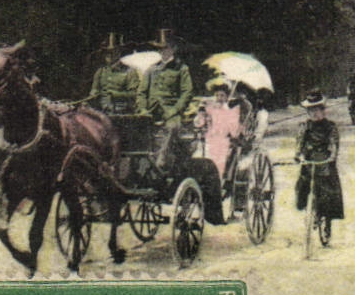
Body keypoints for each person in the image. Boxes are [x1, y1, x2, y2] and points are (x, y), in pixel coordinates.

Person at [138, 29, 194, 176]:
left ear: (173, 48)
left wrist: (174, 110)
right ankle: (137, 167)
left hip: (171, 112)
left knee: (172, 127)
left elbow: (187, 93)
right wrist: (142, 109)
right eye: (160, 49)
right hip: (151, 112)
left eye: (166, 48)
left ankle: (160, 162)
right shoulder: (152, 69)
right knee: (135, 129)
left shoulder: (181, 69)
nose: (162, 51)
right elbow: (142, 92)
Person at [294, 91, 343, 232]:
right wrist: (299, 155)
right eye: (310, 110)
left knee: (328, 191)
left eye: (317, 110)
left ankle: (327, 218)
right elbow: (300, 142)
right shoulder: (305, 127)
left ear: (323, 110)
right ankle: (307, 208)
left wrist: (332, 155)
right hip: (309, 160)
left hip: (325, 161)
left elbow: (333, 142)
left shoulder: (330, 126)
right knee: (302, 185)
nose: (314, 114)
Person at [83, 33, 141, 115]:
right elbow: (94, 90)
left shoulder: (129, 72)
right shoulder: (101, 71)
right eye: (106, 53)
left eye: (112, 52)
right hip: (102, 112)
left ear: (119, 53)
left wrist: (116, 94)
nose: (109, 55)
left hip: (122, 112)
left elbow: (134, 94)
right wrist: (91, 96)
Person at [201, 78, 244, 181]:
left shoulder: (231, 111)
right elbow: (202, 121)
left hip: (223, 140)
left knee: (218, 162)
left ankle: (218, 181)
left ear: (226, 97)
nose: (219, 98)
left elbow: (233, 130)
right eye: (217, 95)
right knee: (203, 158)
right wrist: (204, 114)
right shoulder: (211, 109)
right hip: (210, 138)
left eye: (222, 96)